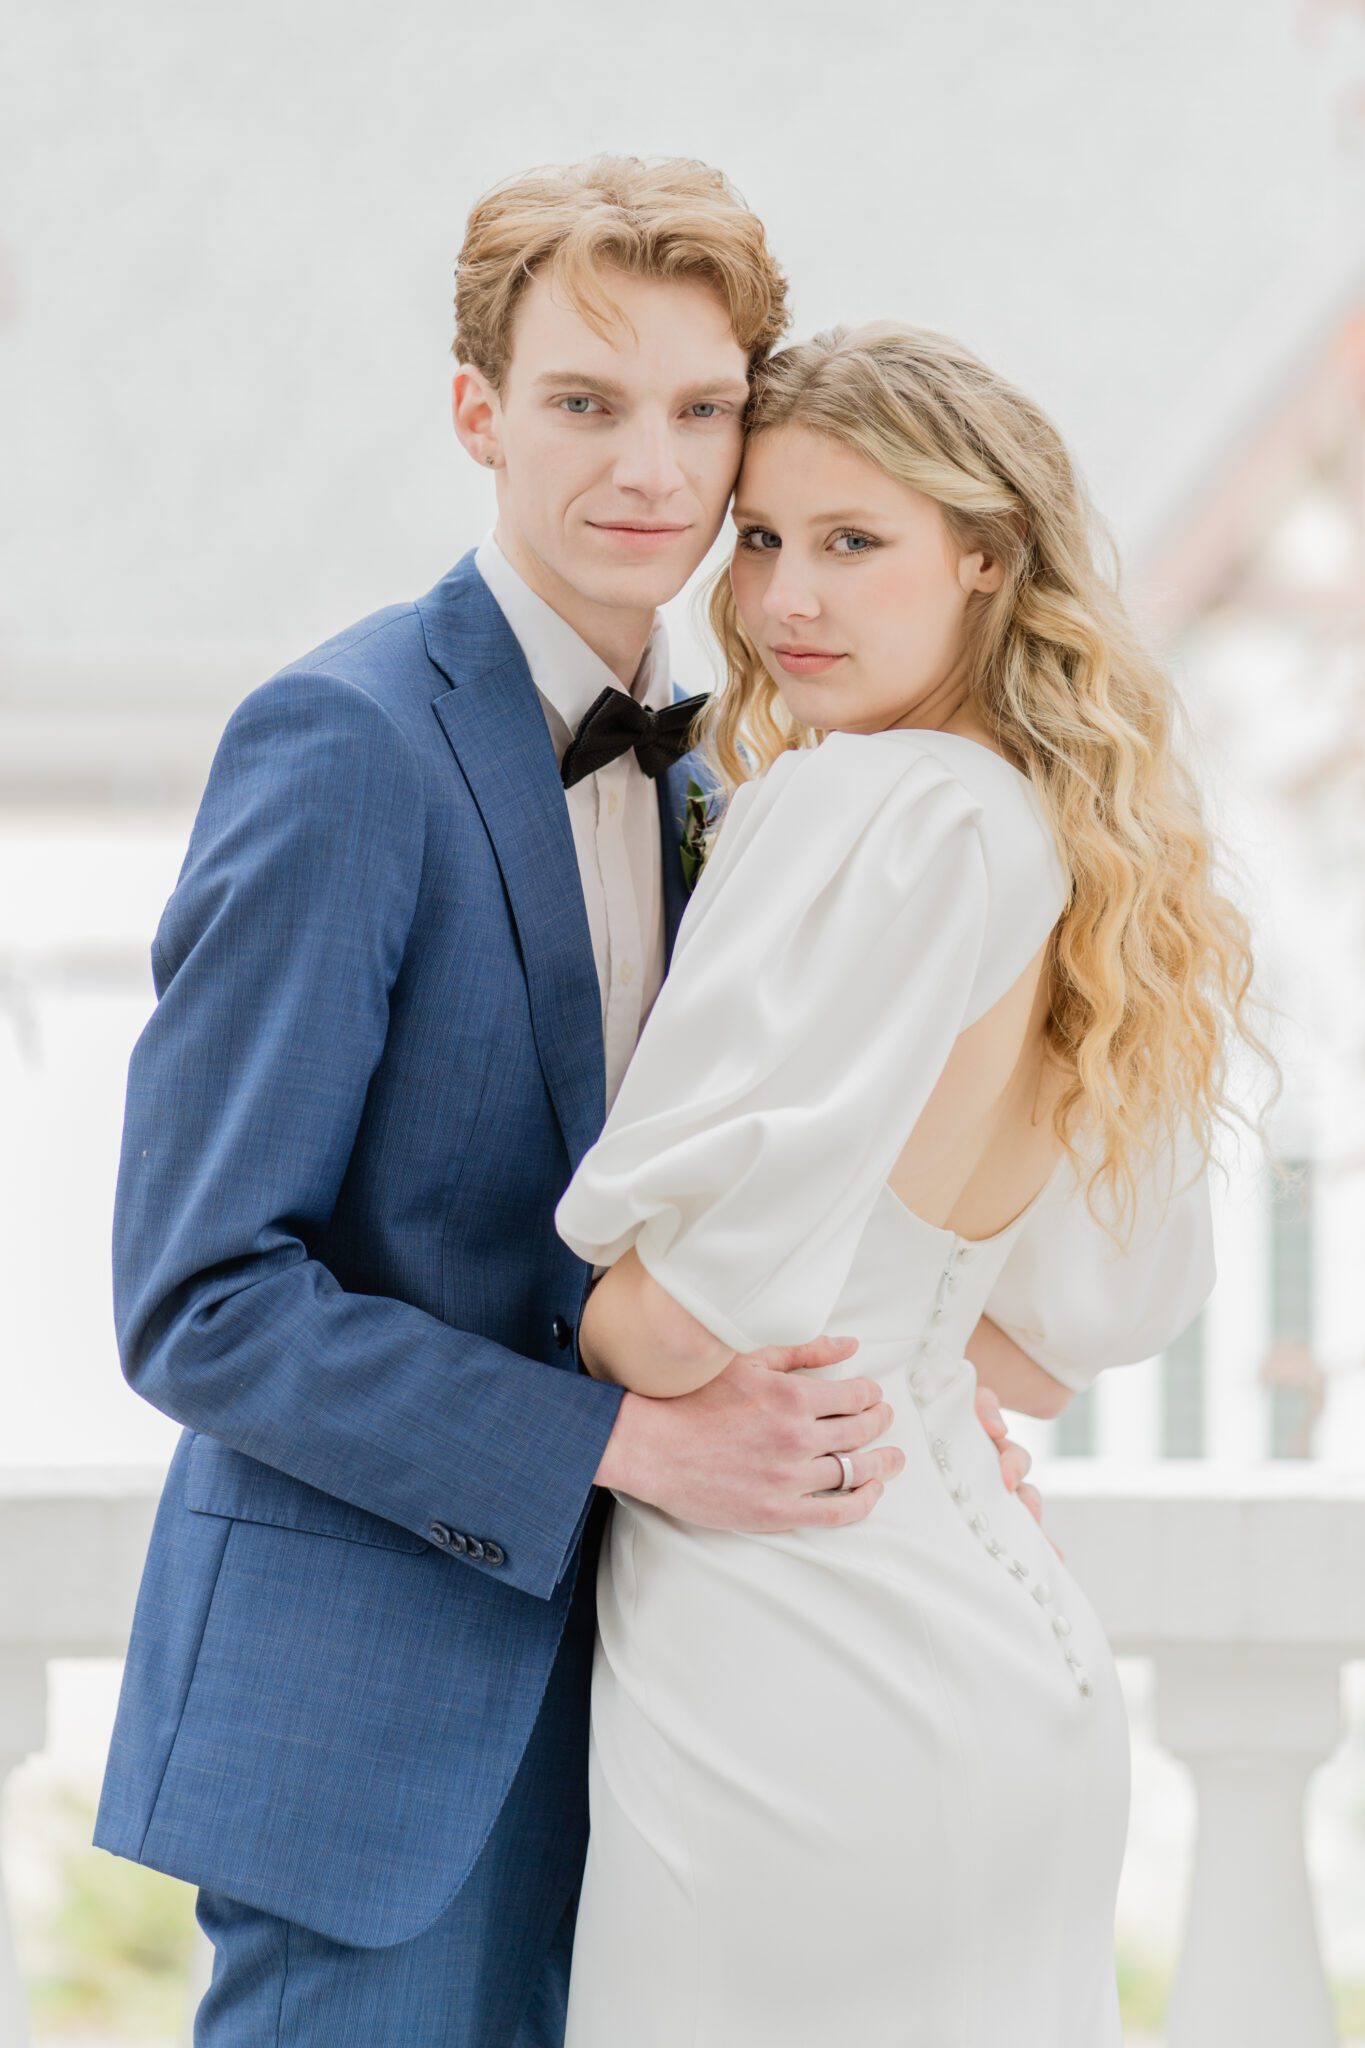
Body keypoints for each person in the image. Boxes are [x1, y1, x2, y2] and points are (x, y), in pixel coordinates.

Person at [92, 164, 1052, 2046]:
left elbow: (728, 1193)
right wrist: (622, 1446)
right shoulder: (345, 741)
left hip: (676, 1715)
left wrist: (901, 1401)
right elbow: (200, 1301)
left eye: (703, 411)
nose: (653, 468)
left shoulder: (740, 779)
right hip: (377, 1725)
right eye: (585, 403)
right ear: (477, 415)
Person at [554, 321, 1269, 2046]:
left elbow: (669, 1331)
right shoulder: (1057, 835)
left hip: (789, 1654)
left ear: (984, 557)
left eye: (852, 542)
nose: (789, 595)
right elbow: (1032, 1353)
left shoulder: (875, 811)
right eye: (766, 539)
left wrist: (574, 1336)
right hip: (988, 1645)